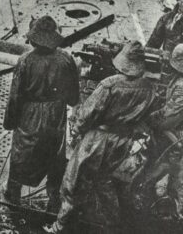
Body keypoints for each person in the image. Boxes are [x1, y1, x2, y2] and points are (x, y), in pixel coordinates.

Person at [51, 41, 157, 233]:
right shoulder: (149, 88)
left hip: (98, 139)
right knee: (105, 179)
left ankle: (60, 225)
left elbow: (86, 115)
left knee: (73, 181)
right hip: (123, 141)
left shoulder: (109, 85)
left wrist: (76, 129)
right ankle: (113, 224)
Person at [3, 15, 79, 213]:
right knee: (55, 153)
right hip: (56, 114)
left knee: (22, 154)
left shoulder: (25, 61)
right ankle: (53, 198)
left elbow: (15, 96)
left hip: (30, 114)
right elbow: (73, 97)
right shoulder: (66, 58)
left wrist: (10, 122)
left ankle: (13, 195)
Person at [134, 44, 183, 233]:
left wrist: (146, 117)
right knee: (179, 176)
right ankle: (170, 204)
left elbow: (167, 119)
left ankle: (181, 222)